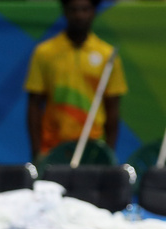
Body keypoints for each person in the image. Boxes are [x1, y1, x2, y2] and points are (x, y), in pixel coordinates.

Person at [24, 0, 127, 162]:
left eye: (85, 9)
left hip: (93, 146)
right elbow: (34, 106)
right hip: (53, 147)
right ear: (65, 12)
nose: (79, 15)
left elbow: (112, 109)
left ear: (94, 12)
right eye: (74, 10)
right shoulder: (44, 53)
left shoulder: (108, 55)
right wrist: (36, 151)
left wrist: (109, 153)